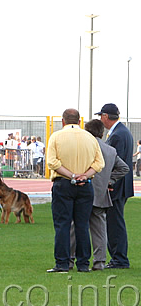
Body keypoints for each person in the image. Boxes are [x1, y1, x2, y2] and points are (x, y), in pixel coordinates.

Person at [45, 108, 104, 273]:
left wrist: (72, 175)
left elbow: (52, 162)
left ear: (63, 121)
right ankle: (83, 264)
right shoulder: (90, 138)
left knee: (63, 225)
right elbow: (99, 164)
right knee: (82, 225)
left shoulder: (56, 137)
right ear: (80, 121)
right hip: (85, 185)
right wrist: (84, 176)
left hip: (63, 183)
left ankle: (62, 263)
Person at [69, 119, 129, 271]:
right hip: (101, 195)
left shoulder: (82, 147)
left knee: (75, 228)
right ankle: (100, 262)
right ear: (102, 133)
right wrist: (109, 181)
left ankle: (70, 260)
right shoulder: (110, 150)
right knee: (100, 230)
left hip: (82, 192)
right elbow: (124, 168)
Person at [97, 103, 134, 269]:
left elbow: (113, 162)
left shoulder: (118, 135)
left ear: (106, 116)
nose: (100, 120)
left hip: (116, 186)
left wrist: (109, 181)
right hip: (121, 185)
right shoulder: (122, 132)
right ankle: (118, 258)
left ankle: (119, 259)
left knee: (114, 223)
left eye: (101, 116)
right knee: (115, 222)